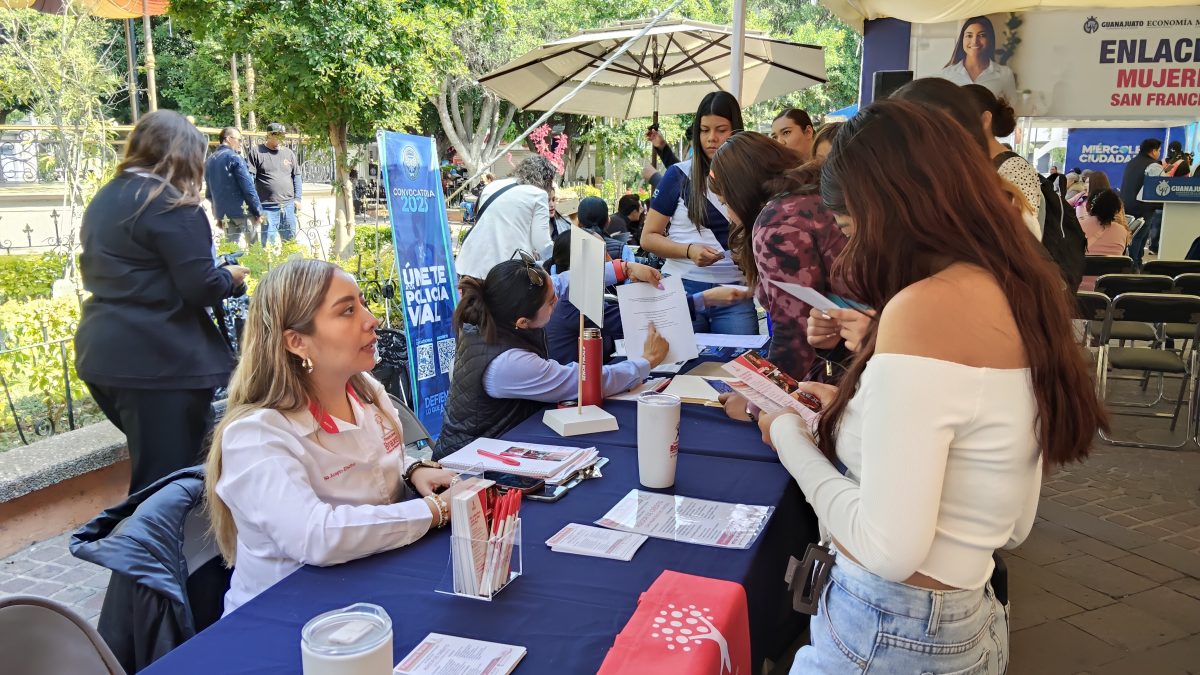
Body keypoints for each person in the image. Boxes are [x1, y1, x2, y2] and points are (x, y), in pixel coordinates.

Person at [757, 99, 1106, 674]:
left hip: (890, 631)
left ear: (890, 211)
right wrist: (852, 412)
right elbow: (1011, 519)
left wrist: (788, 434)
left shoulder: (923, 308)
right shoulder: (1021, 290)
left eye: (847, 228)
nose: (848, 251)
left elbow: (887, 548)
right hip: (968, 617)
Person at [204, 259, 460, 614]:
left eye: (363, 304)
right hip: (288, 615)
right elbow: (315, 535)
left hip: (368, 587)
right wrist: (435, 510)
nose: (372, 320)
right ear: (297, 342)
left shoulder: (365, 391)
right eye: (348, 311)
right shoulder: (256, 436)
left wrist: (413, 469)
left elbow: (374, 462)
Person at [76, 110, 251, 495]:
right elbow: (201, 286)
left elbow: (142, 272)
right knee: (170, 486)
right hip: (160, 361)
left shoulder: (106, 198)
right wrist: (230, 278)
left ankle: (166, 550)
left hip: (104, 354)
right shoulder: (171, 204)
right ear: (186, 155)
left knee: (158, 471)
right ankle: (160, 555)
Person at [434, 255, 671, 457]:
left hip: (498, 444)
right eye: (551, 302)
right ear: (523, 322)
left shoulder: (504, 308)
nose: (557, 300)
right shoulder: (507, 364)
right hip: (470, 465)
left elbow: (563, 281)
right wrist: (646, 361)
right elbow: (583, 381)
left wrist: (624, 268)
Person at [708, 133, 848, 379]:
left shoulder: (776, 222)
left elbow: (795, 333)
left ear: (740, 192)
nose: (728, 213)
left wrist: (759, 400)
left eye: (724, 201)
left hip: (851, 361)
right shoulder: (812, 194)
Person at [641, 91, 758, 335]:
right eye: (704, 130)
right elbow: (648, 237)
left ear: (736, 129)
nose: (711, 138)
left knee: (737, 369)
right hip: (681, 287)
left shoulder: (752, 177)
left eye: (721, 129)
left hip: (735, 291)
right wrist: (688, 251)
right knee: (677, 369)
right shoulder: (678, 174)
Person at [962, 83, 1043, 240]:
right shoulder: (969, 164)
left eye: (960, 120)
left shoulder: (1015, 168)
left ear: (985, 119)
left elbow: (1022, 235)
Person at [455, 156, 556, 279]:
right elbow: (541, 243)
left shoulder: (492, 186)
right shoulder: (538, 194)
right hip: (506, 272)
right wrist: (557, 260)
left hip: (471, 265)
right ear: (547, 179)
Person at [245, 123, 302, 247]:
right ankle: (270, 266)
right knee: (268, 245)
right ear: (269, 135)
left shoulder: (289, 153)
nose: (280, 138)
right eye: (277, 135)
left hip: (288, 205)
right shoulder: (257, 152)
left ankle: (290, 266)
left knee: (290, 244)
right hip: (267, 207)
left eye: (282, 135)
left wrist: (298, 198)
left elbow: (296, 176)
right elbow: (250, 180)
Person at [939, 15, 1017, 103]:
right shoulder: (946, 74)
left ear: (990, 39)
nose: (974, 41)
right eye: (969, 35)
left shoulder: (1004, 74)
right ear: (962, 40)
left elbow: (1012, 111)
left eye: (981, 35)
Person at [205, 127, 262, 244]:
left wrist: (218, 214)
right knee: (255, 250)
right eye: (239, 140)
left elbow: (209, 193)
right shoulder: (234, 157)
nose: (240, 143)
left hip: (224, 214)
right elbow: (248, 187)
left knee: (231, 252)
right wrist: (258, 211)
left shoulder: (209, 160)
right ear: (228, 139)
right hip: (243, 212)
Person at [1122, 138, 1163, 265]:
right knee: (1139, 237)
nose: (1159, 153)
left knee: (1132, 236)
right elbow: (1165, 183)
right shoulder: (1153, 165)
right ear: (1153, 151)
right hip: (1143, 207)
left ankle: (1134, 263)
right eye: (1159, 150)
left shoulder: (1131, 162)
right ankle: (1135, 265)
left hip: (1127, 205)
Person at [1078, 189, 1128, 290]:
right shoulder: (1122, 231)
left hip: (1079, 287)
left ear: (1093, 206)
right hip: (1109, 288)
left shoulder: (1079, 226)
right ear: (1116, 210)